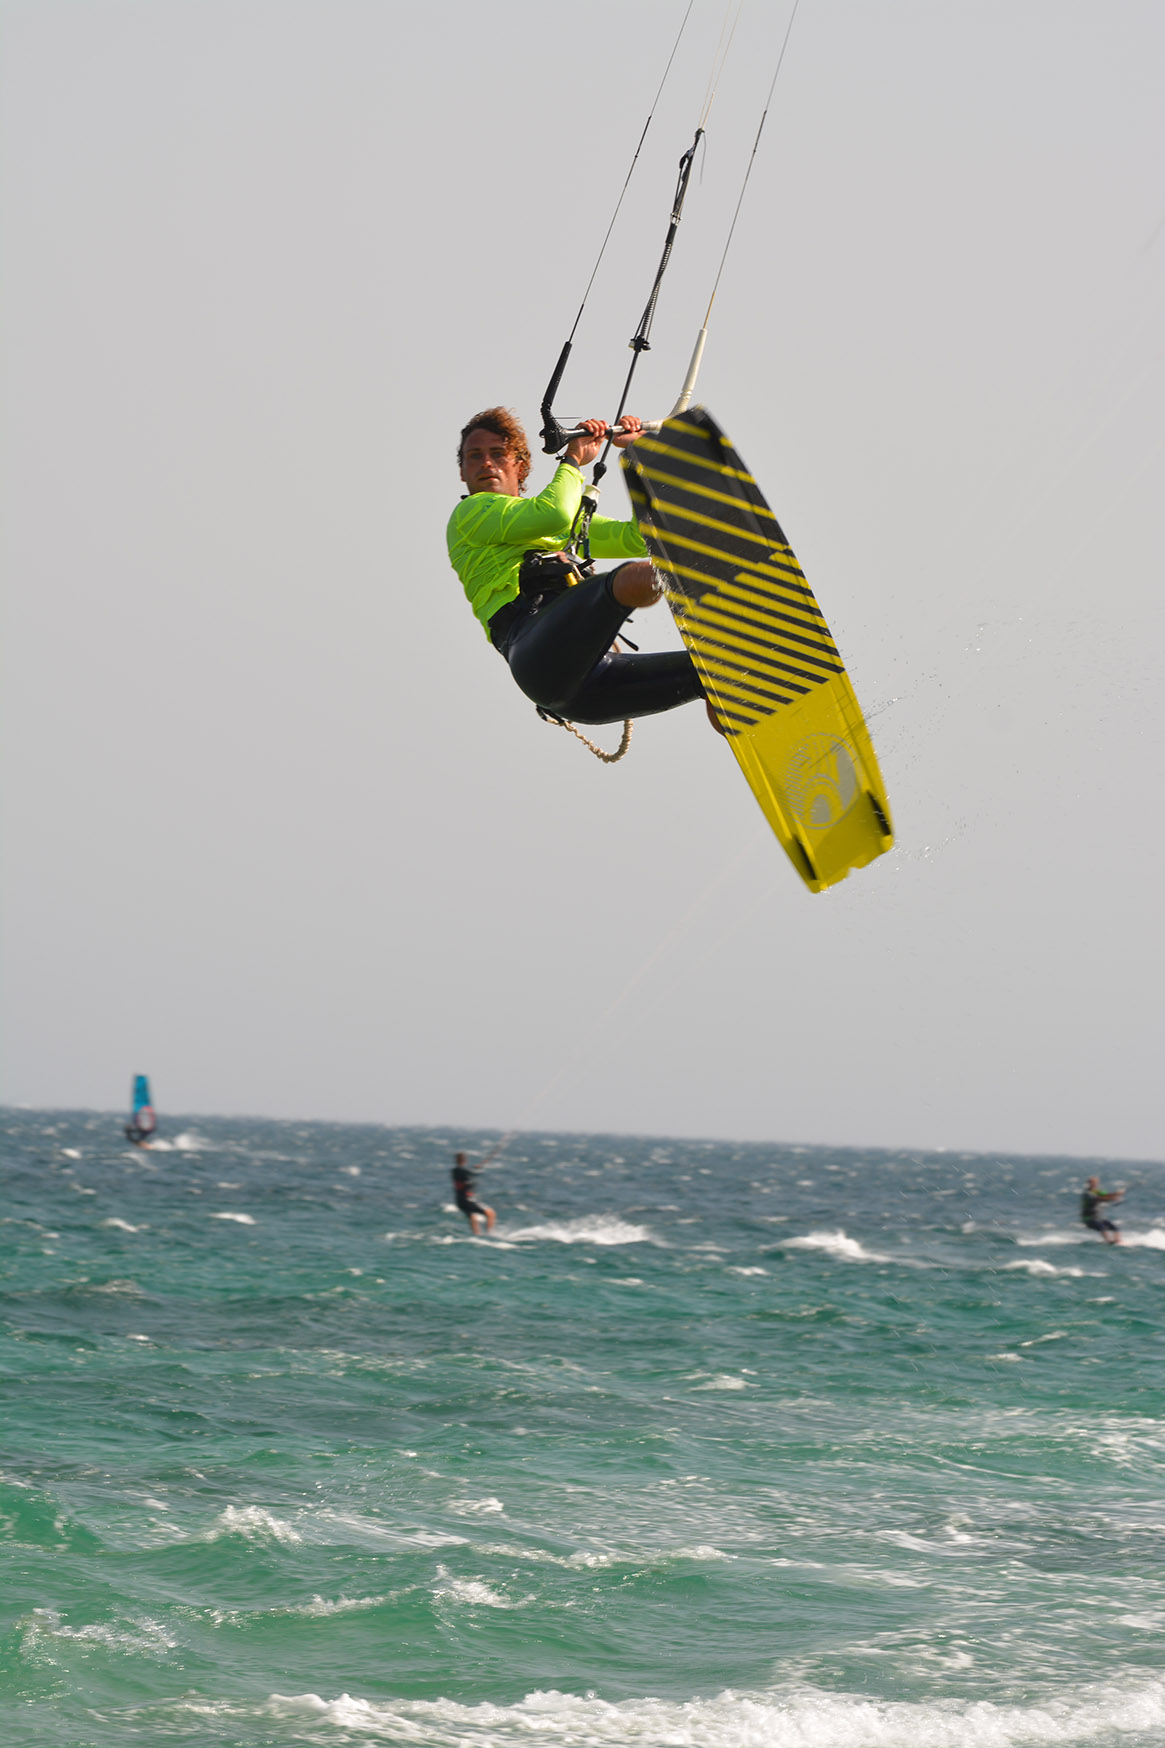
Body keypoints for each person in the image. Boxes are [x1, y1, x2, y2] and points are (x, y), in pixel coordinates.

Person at [447, 407, 713, 726]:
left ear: (520, 465)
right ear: (462, 471)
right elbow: (554, 513)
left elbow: (638, 539)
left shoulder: (553, 521)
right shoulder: (471, 514)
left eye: (498, 453)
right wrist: (572, 459)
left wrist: (640, 454)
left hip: (591, 689)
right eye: (474, 456)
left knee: (711, 675)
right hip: (536, 654)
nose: (486, 463)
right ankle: (709, 586)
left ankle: (750, 719)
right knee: (630, 580)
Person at [452, 1151, 495, 1236]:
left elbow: (469, 1173)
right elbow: (474, 1173)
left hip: (460, 1201)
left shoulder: (455, 1171)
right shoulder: (461, 1171)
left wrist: (476, 1168)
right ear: (465, 1160)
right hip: (467, 1200)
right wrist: (479, 1168)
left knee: (473, 1217)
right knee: (490, 1213)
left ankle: (477, 1236)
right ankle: (490, 1235)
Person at [1080, 1175, 1123, 1244]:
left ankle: (1117, 1241)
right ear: (1088, 1184)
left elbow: (1107, 1195)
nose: (1094, 1184)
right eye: (1092, 1183)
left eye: (1096, 1183)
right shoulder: (1087, 1194)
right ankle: (1109, 1241)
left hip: (1098, 1218)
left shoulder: (1098, 1191)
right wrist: (1112, 1198)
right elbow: (1098, 1199)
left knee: (1115, 1228)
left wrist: (1117, 1194)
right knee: (1103, 1228)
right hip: (1088, 1219)